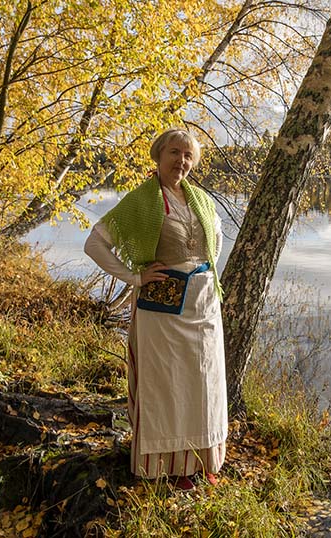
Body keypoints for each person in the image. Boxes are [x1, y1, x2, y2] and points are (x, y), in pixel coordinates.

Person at [84, 128, 226, 490]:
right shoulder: (142, 202)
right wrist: (134, 276)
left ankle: (201, 459)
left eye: (188, 155)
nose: (182, 161)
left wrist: (200, 273)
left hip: (203, 307)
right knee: (167, 386)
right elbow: (95, 244)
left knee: (202, 383)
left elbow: (217, 240)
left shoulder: (201, 201)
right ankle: (168, 466)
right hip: (162, 313)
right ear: (159, 157)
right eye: (175, 152)